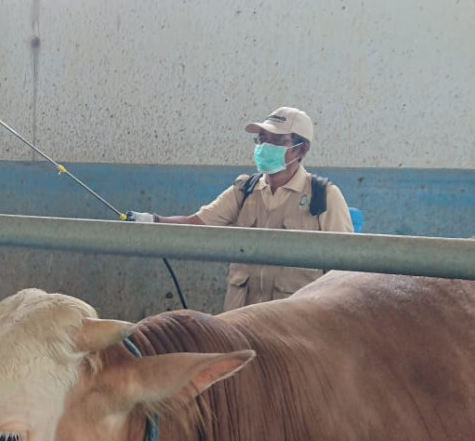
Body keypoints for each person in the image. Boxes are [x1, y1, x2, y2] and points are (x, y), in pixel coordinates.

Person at [127, 106, 354, 311]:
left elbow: (345, 269)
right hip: (242, 320)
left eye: (276, 140)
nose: (265, 147)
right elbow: (197, 223)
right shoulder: (245, 189)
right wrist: (152, 221)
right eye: (262, 139)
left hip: (294, 327)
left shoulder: (323, 196)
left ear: (300, 150)